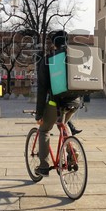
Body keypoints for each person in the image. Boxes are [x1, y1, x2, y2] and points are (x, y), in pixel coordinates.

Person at [34, 30, 82, 177]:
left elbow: (42, 89)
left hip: (55, 102)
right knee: (63, 124)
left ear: (54, 43)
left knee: (44, 130)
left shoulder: (49, 59)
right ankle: (72, 151)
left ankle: (43, 166)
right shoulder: (74, 57)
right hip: (74, 101)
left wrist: (39, 114)